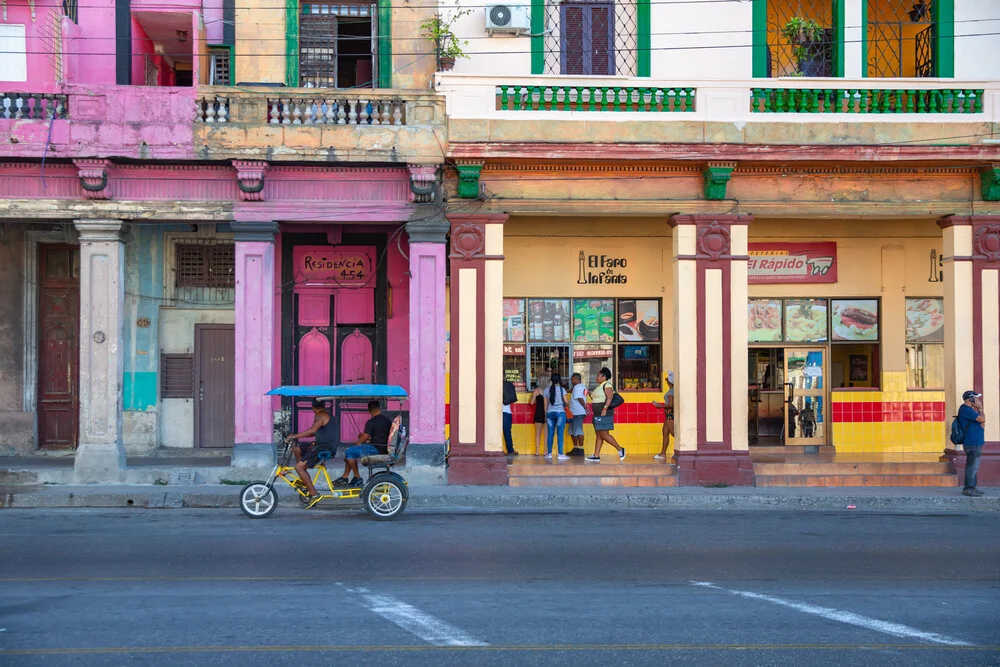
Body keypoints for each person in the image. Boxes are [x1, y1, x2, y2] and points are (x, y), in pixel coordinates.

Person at [285, 399, 337, 502]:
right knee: (297, 449)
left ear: (313, 408)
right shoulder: (327, 415)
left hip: (323, 448)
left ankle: (314, 494)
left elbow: (312, 430)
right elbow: (314, 432)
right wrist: (296, 437)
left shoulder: (320, 415)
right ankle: (305, 480)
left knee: (298, 467)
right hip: (323, 445)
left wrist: (294, 436)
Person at [335, 400, 393, 487]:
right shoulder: (387, 420)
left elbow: (364, 437)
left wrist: (358, 444)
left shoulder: (371, 422)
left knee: (349, 451)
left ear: (369, 410)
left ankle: (357, 478)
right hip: (383, 448)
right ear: (379, 408)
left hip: (375, 449)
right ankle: (345, 477)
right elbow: (379, 435)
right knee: (350, 454)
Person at [585, 367, 625, 463]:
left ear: (604, 377)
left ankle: (620, 449)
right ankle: (596, 455)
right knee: (599, 434)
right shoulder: (599, 387)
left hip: (604, 413)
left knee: (604, 434)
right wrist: (589, 393)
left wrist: (604, 409)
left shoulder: (607, 385)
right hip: (597, 413)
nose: (597, 377)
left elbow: (610, 397)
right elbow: (596, 398)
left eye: (599, 375)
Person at [958, 390, 986, 497]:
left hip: (976, 442)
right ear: (971, 399)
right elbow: (982, 419)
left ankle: (972, 487)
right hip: (972, 442)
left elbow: (983, 421)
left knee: (973, 466)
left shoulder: (970, 411)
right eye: (976, 398)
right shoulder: (966, 410)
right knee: (972, 466)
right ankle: (968, 488)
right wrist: (980, 409)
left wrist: (981, 418)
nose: (978, 400)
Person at [545, 373, 570, 460]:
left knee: (550, 434)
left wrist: (546, 415)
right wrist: (569, 406)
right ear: (559, 381)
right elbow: (566, 402)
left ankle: (549, 453)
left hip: (550, 413)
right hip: (560, 413)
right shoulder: (562, 390)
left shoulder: (547, 390)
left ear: (551, 380)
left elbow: (546, 404)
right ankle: (560, 454)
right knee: (560, 434)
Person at [653, 371, 674, 461]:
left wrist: (659, 405)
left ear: (670, 382)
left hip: (671, 416)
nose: (666, 382)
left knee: (674, 434)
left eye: (667, 381)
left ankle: (682, 451)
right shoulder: (672, 390)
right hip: (669, 416)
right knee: (665, 433)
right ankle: (663, 453)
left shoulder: (671, 392)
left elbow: (670, 404)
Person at [531, 372, 551, 456]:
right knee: (546, 434)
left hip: (538, 413)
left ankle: (537, 451)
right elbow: (549, 402)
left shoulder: (536, 390)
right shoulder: (549, 390)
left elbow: (531, 402)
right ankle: (545, 450)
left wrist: (535, 399)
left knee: (537, 434)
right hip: (547, 413)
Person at [568, 373, 588, 456]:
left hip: (577, 412)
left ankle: (581, 449)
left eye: (572, 380)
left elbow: (580, 398)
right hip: (575, 412)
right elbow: (586, 394)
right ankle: (576, 448)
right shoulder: (582, 386)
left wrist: (585, 407)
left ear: (576, 379)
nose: (571, 381)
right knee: (572, 431)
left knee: (578, 431)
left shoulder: (577, 387)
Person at [502, 379, 518, 455]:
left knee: (495, 433)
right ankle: (510, 450)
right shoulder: (508, 385)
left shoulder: (495, 386)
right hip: (507, 412)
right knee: (507, 432)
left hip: (496, 413)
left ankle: (497, 450)